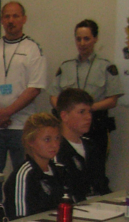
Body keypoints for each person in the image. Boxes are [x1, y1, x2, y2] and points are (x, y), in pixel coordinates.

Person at [0, 1, 47, 173]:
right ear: (1, 20)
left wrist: (7, 112)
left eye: (15, 16)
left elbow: (34, 88)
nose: (11, 20)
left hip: (22, 126)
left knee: (24, 175)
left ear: (24, 19)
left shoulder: (33, 49)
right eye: (7, 16)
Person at [48, 19, 124, 157]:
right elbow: (53, 97)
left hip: (95, 127)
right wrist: (67, 112)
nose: (82, 43)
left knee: (95, 167)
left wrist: (85, 111)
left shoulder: (106, 67)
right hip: (67, 127)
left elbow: (113, 100)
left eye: (86, 39)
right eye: (78, 39)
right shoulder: (65, 67)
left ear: (95, 39)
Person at [55, 87, 110, 199]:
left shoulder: (91, 146)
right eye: (81, 112)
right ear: (64, 116)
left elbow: (102, 185)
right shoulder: (55, 149)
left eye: (90, 112)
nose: (89, 117)